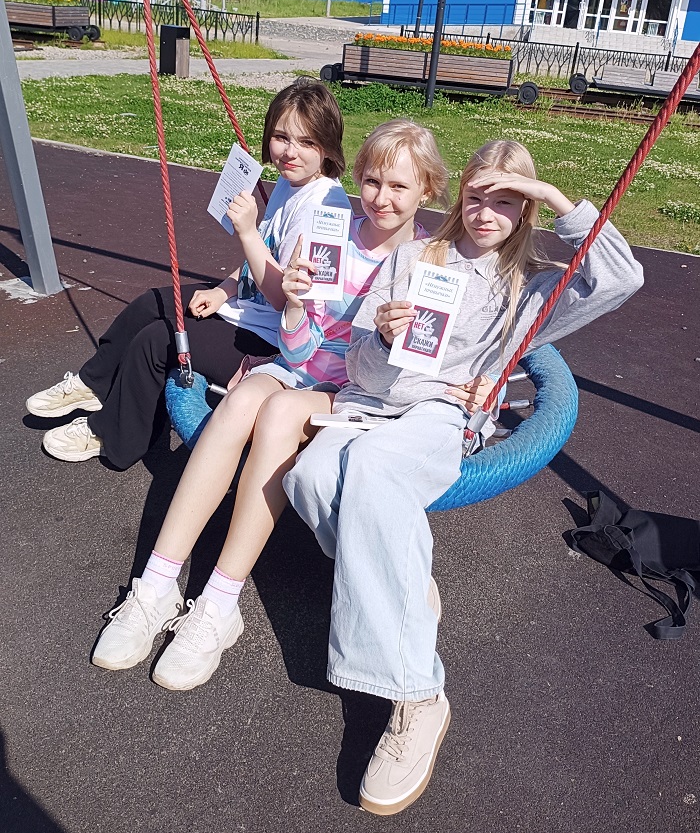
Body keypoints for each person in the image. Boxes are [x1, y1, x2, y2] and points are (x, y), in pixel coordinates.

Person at [281, 139, 645, 816]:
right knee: (308, 478)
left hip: (444, 411)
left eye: (506, 200)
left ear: (525, 209)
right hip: (373, 401)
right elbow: (359, 367)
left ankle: (417, 693)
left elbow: (622, 278)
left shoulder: (535, 287)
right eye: (477, 196)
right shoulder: (414, 258)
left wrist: (557, 201)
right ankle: (403, 577)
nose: (485, 212)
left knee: (372, 470)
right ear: (459, 197)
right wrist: (381, 336)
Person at [89, 120, 468, 690]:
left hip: (360, 395)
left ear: (427, 190)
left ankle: (219, 601)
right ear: (356, 179)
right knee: (242, 400)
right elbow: (297, 347)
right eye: (371, 181)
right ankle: (155, 585)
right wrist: (293, 307)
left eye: (399, 186)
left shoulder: (428, 264)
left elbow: (434, 352)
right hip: (300, 369)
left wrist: (469, 378)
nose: (381, 198)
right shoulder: (330, 237)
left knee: (277, 413)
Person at [25, 78, 348, 469]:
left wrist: (247, 232)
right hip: (250, 307)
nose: (290, 151)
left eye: (307, 142)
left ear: (328, 146)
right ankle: (93, 384)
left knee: (159, 339)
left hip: (276, 341)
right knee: (152, 304)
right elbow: (266, 254)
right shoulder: (290, 181)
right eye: (281, 137)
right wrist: (224, 289)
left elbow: (287, 301)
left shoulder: (322, 209)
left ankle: (112, 436)